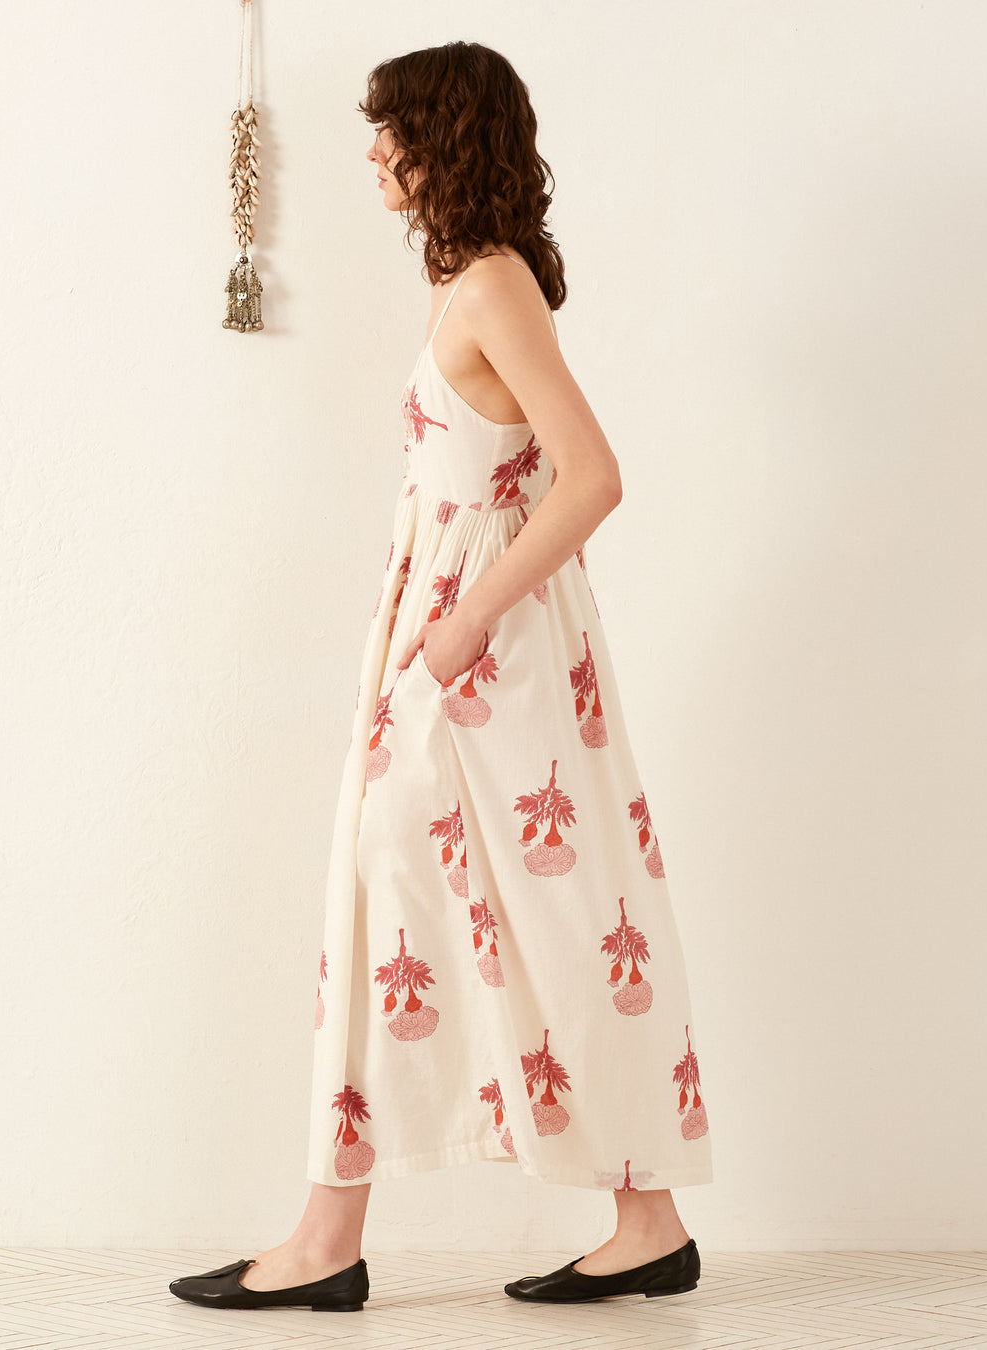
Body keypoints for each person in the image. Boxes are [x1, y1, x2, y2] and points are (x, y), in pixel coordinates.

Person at [170, 39, 711, 1315]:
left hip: (486, 661)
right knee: (451, 911)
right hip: (461, 651)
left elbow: (594, 473)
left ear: (444, 138)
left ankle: (366, 1237)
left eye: (388, 132)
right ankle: (359, 1230)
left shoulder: (492, 290)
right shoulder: (472, 283)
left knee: (551, 920)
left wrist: (464, 618)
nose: (370, 154)